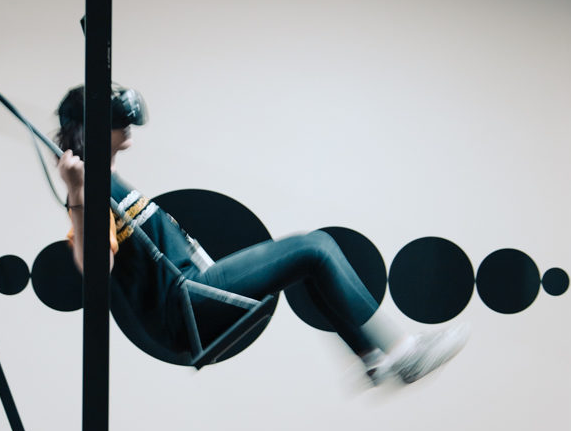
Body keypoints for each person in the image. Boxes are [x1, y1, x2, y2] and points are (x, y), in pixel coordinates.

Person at [55, 84, 468, 386]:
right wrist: (76, 190)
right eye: (117, 119)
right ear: (91, 126)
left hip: (190, 294)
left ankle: (372, 357)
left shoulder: (106, 180)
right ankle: (401, 353)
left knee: (310, 261)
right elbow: (96, 268)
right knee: (314, 247)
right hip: (185, 303)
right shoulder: (88, 190)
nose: (127, 124)